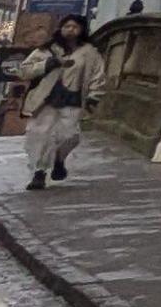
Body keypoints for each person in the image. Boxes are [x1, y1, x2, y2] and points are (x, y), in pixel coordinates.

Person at [7, 15, 105, 191]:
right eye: (67, 26)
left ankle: (59, 159)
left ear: (82, 30)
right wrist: (49, 64)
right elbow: (25, 70)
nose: (70, 30)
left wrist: (94, 96)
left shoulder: (90, 52)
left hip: (73, 99)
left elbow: (97, 75)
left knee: (69, 136)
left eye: (75, 27)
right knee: (39, 134)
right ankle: (39, 172)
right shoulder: (47, 50)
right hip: (46, 99)